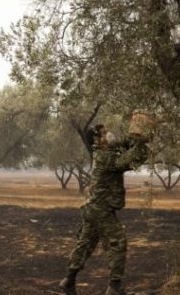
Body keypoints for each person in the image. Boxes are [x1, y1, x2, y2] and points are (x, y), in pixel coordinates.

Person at [59, 125, 149, 295]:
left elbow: (122, 144)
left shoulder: (103, 153)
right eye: (104, 133)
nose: (109, 134)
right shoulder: (106, 157)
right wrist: (140, 145)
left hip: (92, 208)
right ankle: (115, 287)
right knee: (118, 242)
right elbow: (131, 160)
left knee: (84, 245)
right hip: (101, 210)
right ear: (98, 140)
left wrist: (135, 139)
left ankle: (68, 281)